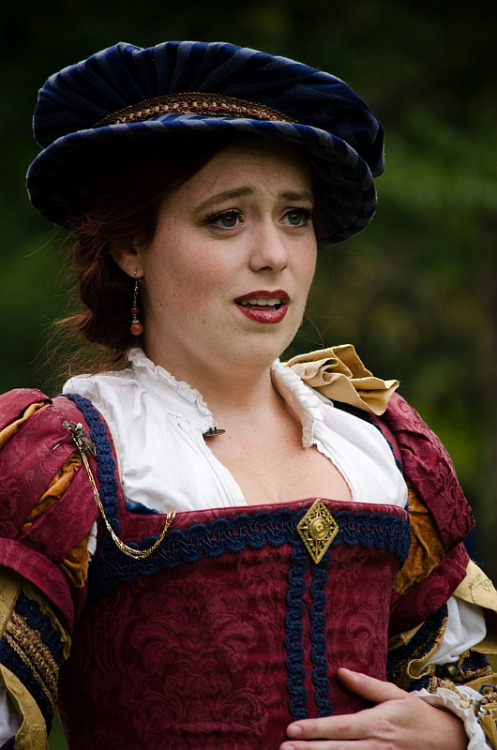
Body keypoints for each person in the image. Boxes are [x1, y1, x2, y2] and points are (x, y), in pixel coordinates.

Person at [0, 40, 496, 750]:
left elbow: (478, 674)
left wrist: (451, 728)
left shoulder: (378, 447)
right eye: (225, 218)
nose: (272, 253)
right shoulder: (68, 462)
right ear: (129, 246)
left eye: (294, 215)